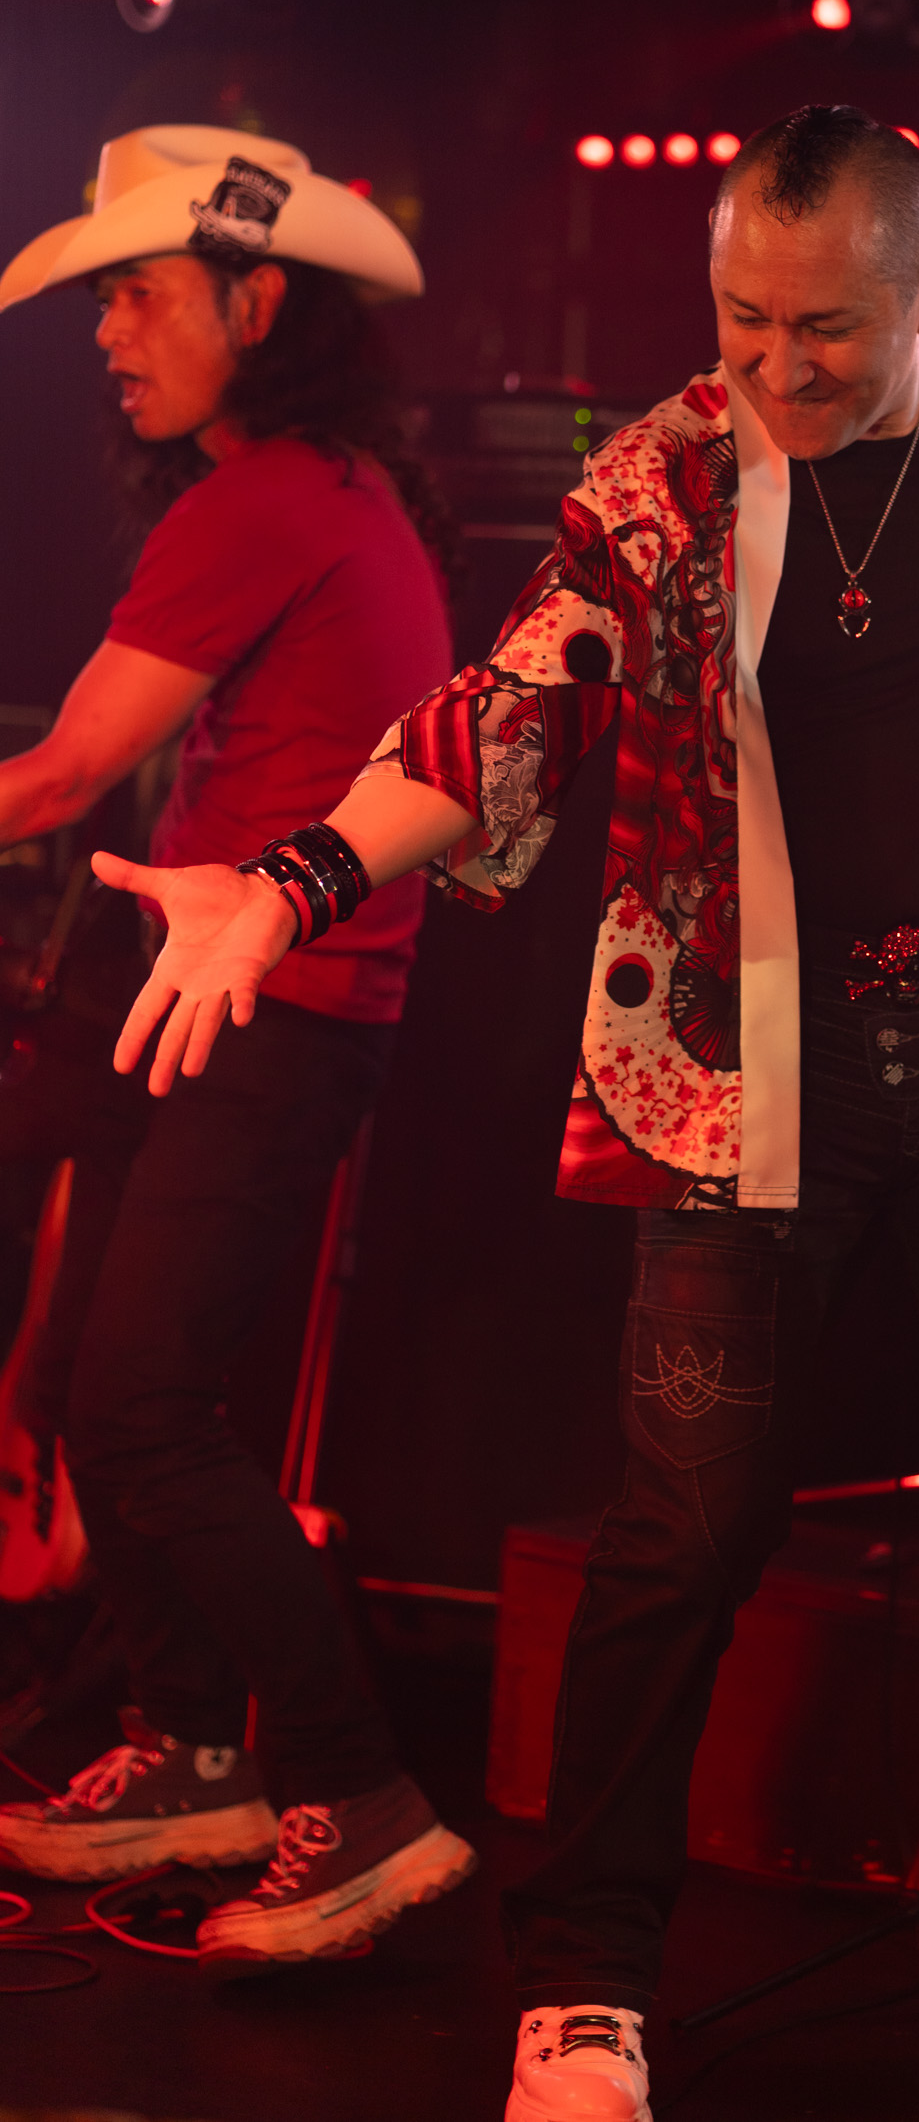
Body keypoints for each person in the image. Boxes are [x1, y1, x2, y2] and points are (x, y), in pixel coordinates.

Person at [95, 105, 919, 2114]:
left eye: (827, 328)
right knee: (682, 1526)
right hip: (757, 1052)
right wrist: (291, 881)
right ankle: (584, 1983)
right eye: (742, 319)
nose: (778, 367)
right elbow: (509, 707)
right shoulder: (671, 468)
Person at [0, 126, 477, 1959]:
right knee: (87, 1395)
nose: (107, 332)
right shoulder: (306, 488)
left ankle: (362, 1798)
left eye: (140, 293)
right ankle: (195, 1753)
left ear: (256, 304)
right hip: (204, 1001)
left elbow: (62, 773)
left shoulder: (273, 497)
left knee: (138, 1404)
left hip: (270, 1011)